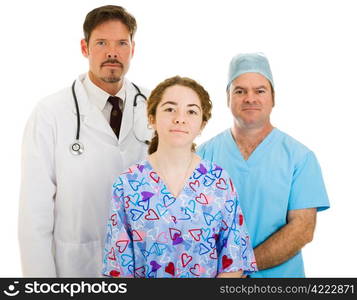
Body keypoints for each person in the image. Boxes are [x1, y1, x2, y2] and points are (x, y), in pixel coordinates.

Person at [18, 5, 152, 277]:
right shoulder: (50, 113)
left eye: (121, 43)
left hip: (144, 264)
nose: (112, 52)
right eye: (101, 43)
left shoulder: (156, 106)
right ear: (84, 47)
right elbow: (34, 216)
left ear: (132, 49)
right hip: (78, 268)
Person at [102, 76, 256, 278]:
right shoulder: (127, 184)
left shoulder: (218, 181)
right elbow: (118, 269)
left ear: (202, 124)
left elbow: (233, 261)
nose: (180, 118)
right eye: (169, 109)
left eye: (191, 111)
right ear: (151, 118)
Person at [198, 53, 330, 278]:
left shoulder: (299, 158)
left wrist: (239, 268)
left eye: (259, 90)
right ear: (228, 98)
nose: (250, 98)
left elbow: (302, 230)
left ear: (273, 98)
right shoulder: (203, 154)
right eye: (240, 91)